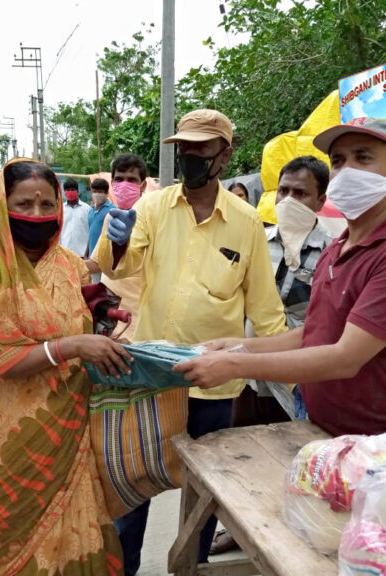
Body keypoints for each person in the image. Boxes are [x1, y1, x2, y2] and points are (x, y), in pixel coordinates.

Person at [97, 109, 287, 574]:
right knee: (130, 487)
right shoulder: (153, 208)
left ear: (225, 154)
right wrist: (114, 239)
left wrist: (293, 377)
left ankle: (192, 566)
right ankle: (125, 569)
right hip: (148, 377)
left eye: (201, 148)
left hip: (212, 384)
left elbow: (264, 309)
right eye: (184, 147)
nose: (190, 156)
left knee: (202, 498)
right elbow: (119, 268)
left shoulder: (245, 222)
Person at [175, 117, 386, 440]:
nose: (348, 170)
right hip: (320, 427)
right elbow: (312, 334)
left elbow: (345, 358)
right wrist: (238, 346)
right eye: (339, 161)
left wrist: (234, 366)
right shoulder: (338, 249)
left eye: (363, 157)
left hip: (380, 442)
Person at [0, 158, 129, 576]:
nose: (36, 215)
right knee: (20, 550)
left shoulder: (67, 264)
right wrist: (70, 346)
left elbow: (75, 308)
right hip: (14, 438)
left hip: (72, 431)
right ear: (2, 204)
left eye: (46, 204)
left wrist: (102, 320)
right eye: (24, 204)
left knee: (81, 536)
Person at [209, 155, 334, 556]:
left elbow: (323, 321)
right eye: (283, 191)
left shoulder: (332, 252)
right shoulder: (256, 240)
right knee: (237, 447)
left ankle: (285, 532)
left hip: (295, 369)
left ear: (321, 200)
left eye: (301, 193)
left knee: (290, 454)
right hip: (246, 366)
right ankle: (234, 526)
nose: (289, 199)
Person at [86, 153, 148, 335]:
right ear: (112, 184)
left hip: (137, 314)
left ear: (142, 185)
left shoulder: (152, 217)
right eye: (119, 179)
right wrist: (66, 262)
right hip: (108, 308)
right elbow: (98, 263)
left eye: (131, 180)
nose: (124, 184)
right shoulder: (110, 218)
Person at [58, 177, 91, 257]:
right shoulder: (60, 209)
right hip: (65, 253)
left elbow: (91, 230)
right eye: (67, 190)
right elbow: (58, 230)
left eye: (72, 189)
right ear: (64, 192)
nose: (70, 192)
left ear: (77, 191)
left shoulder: (87, 209)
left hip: (83, 254)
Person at [88, 177, 114, 257]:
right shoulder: (91, 210)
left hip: (105, 257)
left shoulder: (112, 210)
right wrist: (86, 252)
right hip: (91, 255)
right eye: (94, 192)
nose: (96, 194)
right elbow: (90, 234)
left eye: (99, 192)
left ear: (106, 193)